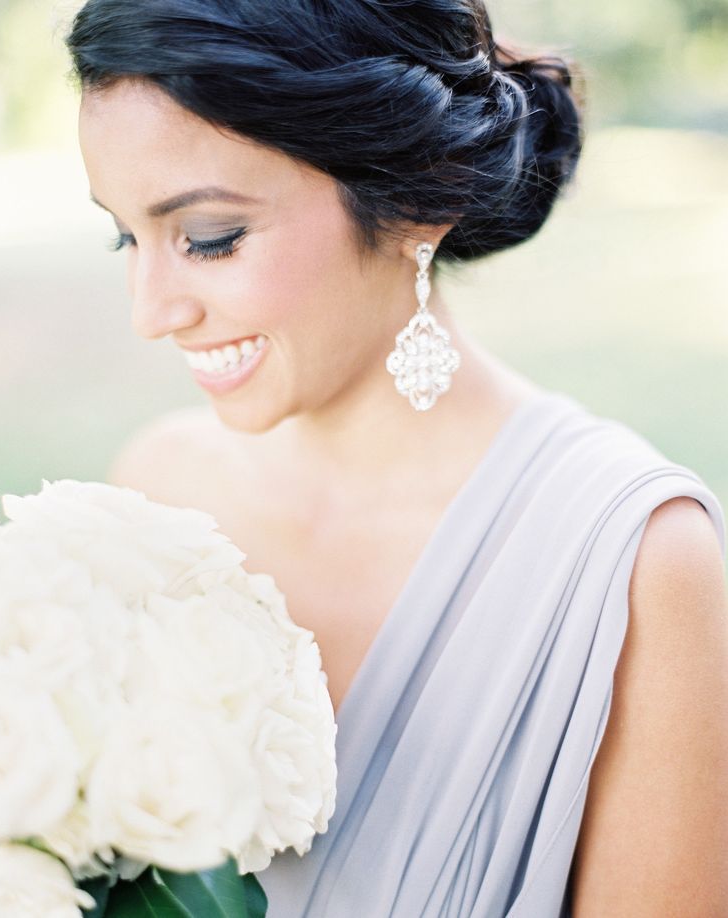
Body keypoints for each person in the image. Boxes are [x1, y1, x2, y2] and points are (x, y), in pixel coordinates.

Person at [65, 1, 728, 915]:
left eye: (209, 237)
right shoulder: (152, 497)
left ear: (420, 195)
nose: (151, 312)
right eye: (124, 236)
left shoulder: (635, 557)